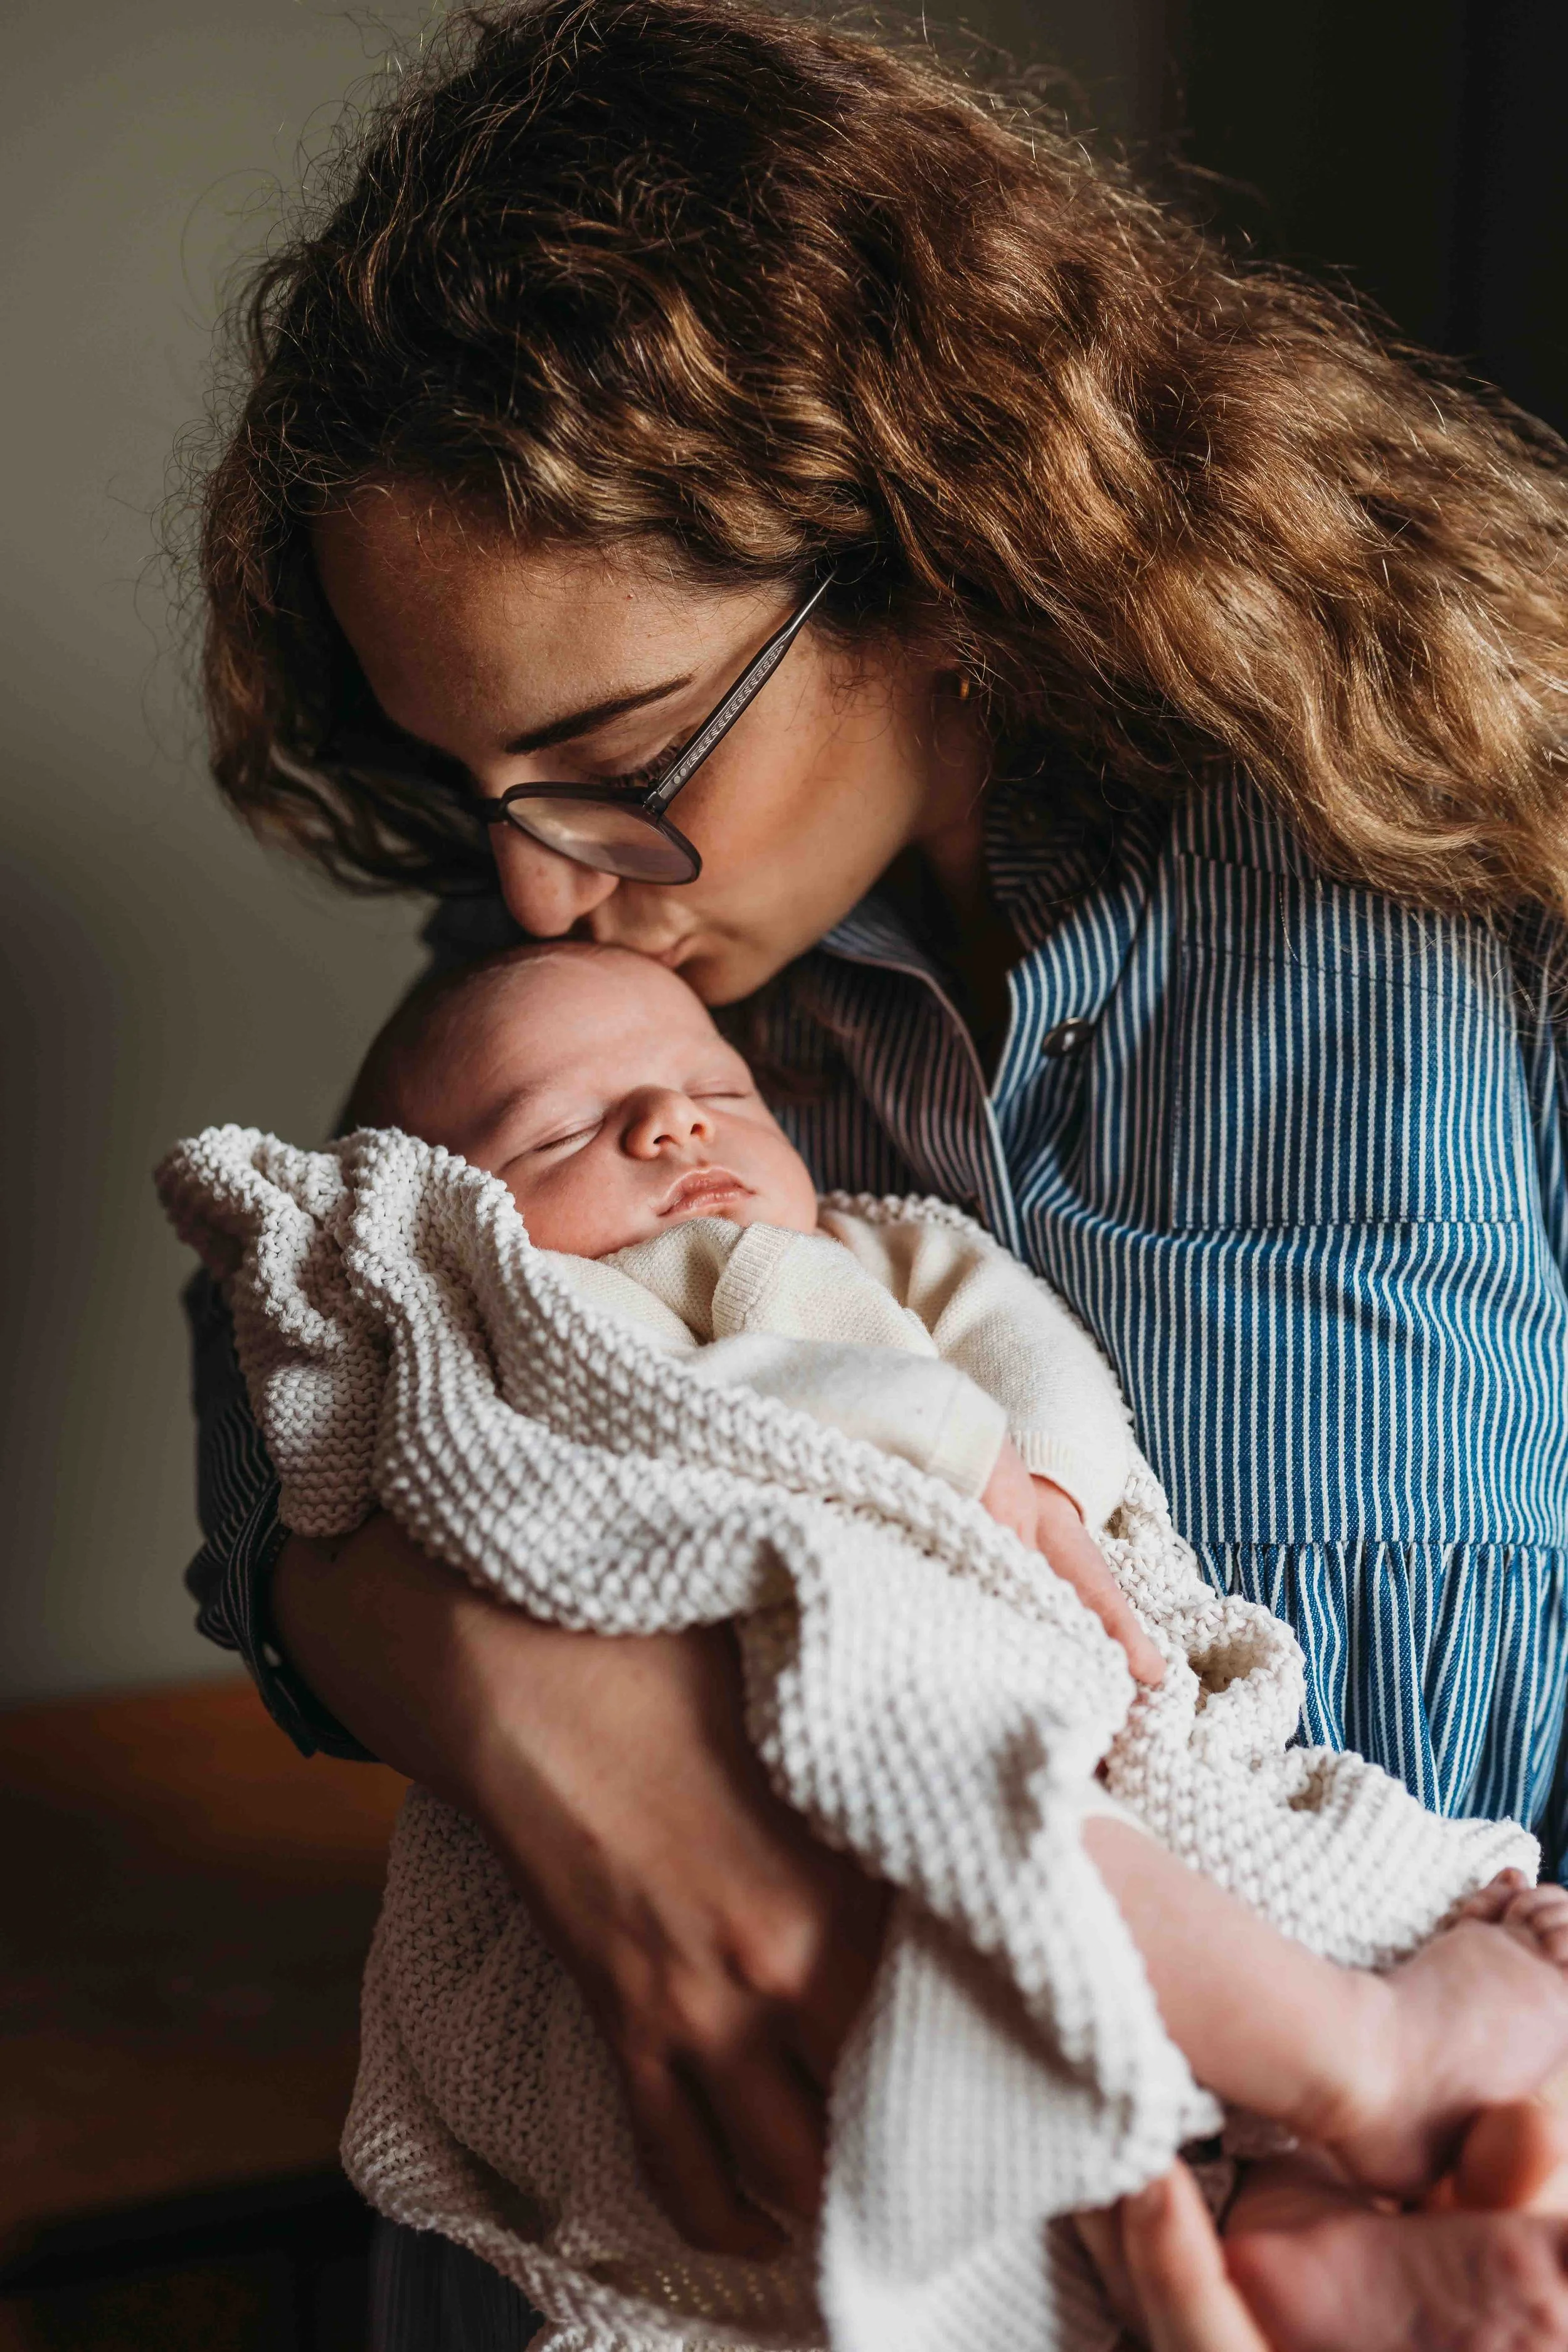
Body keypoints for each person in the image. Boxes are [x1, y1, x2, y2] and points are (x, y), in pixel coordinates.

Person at [181, 0, 1568, 2342]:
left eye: (609, 753)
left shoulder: (1463, 871)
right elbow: (285, 1416)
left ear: (933, 546)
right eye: (468, 783)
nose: (532, 891)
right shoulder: (602, 996)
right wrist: (575, 1745)